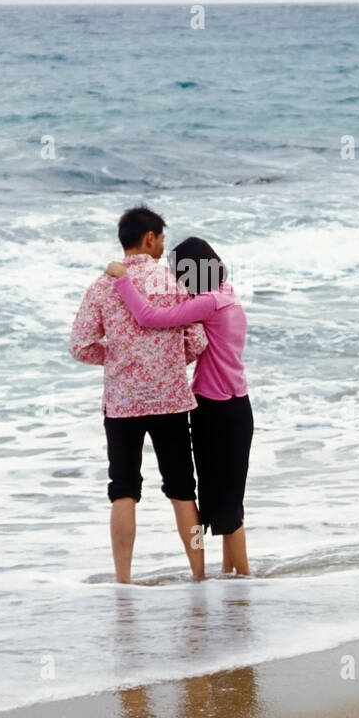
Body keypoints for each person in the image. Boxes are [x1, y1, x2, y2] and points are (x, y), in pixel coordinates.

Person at [69, 206, 208, 584]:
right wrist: (165, 360)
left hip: (122, 403)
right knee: (182, 489)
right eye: (162, 238)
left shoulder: (101, 286)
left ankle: (123, 580)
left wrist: (117, 358)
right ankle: (199, 573)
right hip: (171, 401)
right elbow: (196, 340)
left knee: (123, 489)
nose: (163, 246)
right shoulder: (171, 285)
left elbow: (80, 345)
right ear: (149, 238)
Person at [106, 236, 252, 576]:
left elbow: (148, 317)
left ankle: (245, 578)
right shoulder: (228, 296)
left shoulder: (208, 304)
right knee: (225, 500)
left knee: (221, 503)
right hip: (239, 408)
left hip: (213, 409)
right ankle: (231, 579)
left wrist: (123, 280)